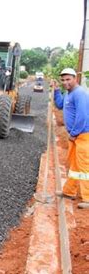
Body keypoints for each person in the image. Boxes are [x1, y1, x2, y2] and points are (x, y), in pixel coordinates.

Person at [52, 68, 89, 209]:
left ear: (75, 79)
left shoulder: (80, 94)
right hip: (75, 136)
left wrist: (74, 133)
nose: (65, 82)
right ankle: (69, 191)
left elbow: (83, 117)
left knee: (85, 166)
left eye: (68, 79)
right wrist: (56, 91)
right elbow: (60, 105)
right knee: (73, 165)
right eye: (63, 80)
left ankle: (87, 198)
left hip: (83, 135)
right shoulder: (69, 93)